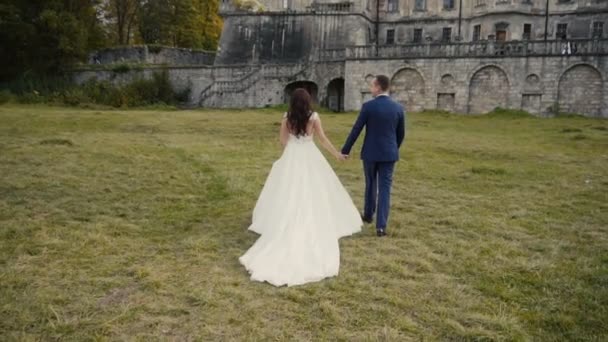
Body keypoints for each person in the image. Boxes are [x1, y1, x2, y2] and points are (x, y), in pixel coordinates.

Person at [239, 88, 362, 287]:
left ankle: (287, 218)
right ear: (308, 101)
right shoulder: (313, 117)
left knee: (288, 190)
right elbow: (322, 139)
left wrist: (292, 149)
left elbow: (282, 141)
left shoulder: (287, 117)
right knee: (316, 189)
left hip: (293, 155)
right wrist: (337, 155)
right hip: (310, 154)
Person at [341, 75, 406, 237]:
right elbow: (401, 134)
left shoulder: (368, 107)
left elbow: (356, 129)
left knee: (371, 183)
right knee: (385, 189)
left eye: (372, 86)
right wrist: (392, 149)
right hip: (389, 154)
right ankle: (381, 227)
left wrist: (346, 150)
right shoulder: (398, 108)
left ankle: (369, 215)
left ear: (378, 87)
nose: (371, 89)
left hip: (370, 152)